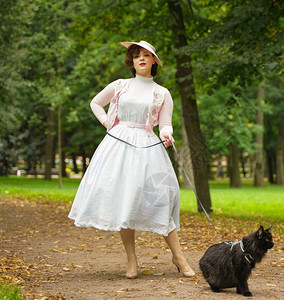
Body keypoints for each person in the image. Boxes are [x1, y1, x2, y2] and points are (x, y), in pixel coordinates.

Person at [68, 40, 195, 279]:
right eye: (137, 56)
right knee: (125, 199)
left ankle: (178, 256)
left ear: (154, 61)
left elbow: (165, 124)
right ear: (132, 61)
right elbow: (96, 103)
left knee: (161, 199)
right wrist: (107, 122)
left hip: (148, 147)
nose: (141, 59)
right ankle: (131, 260)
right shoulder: (120, 85)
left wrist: (167, 134)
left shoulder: (162, 93)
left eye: (147, 55)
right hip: (118, 146)